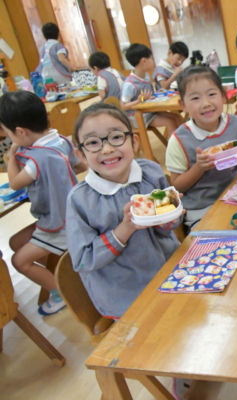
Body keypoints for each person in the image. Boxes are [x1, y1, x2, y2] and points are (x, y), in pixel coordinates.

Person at [66, 103, 182, 319]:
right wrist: (126, 227)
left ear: (134, 141)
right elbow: (83, 260)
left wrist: (170, 214)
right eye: (93, 142)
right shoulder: (80, 200)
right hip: (127, 296)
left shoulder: (150, 172)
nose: (107, 149)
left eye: (116, 137)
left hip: (172, 271)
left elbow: (169, 228)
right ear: (81, 154)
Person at [0, 91, 86, 315]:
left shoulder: (37, 159)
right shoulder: (62, 141)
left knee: (19, 261)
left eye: (7, 132)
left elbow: (15, 183)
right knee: (16, 242)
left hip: (60, 223)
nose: (8, 137)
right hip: (71, 213)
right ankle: (63, 271)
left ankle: (61, 293)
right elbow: (81, 166)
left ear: (21, 132)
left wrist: (11, 155)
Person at [167, 66, 237, 229]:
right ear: (183, 105)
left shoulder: (236, 124)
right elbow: (176, 186)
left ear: (223, 96)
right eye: (195, 98)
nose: (206, 103)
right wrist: (199, 167)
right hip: (201, 208)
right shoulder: (179, 139)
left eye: (212, 94)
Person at [121, 44, 182, 137]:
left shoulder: (146, 76)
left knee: (177, 117)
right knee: (170, 122)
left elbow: (148, 96)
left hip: (149, 111)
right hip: (137, 116)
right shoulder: (129, 84)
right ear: (144, 61)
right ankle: (173, 146)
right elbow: (124, 106)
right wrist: (138, 100)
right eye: (151, 58)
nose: (153, 61)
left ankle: (184, 142)